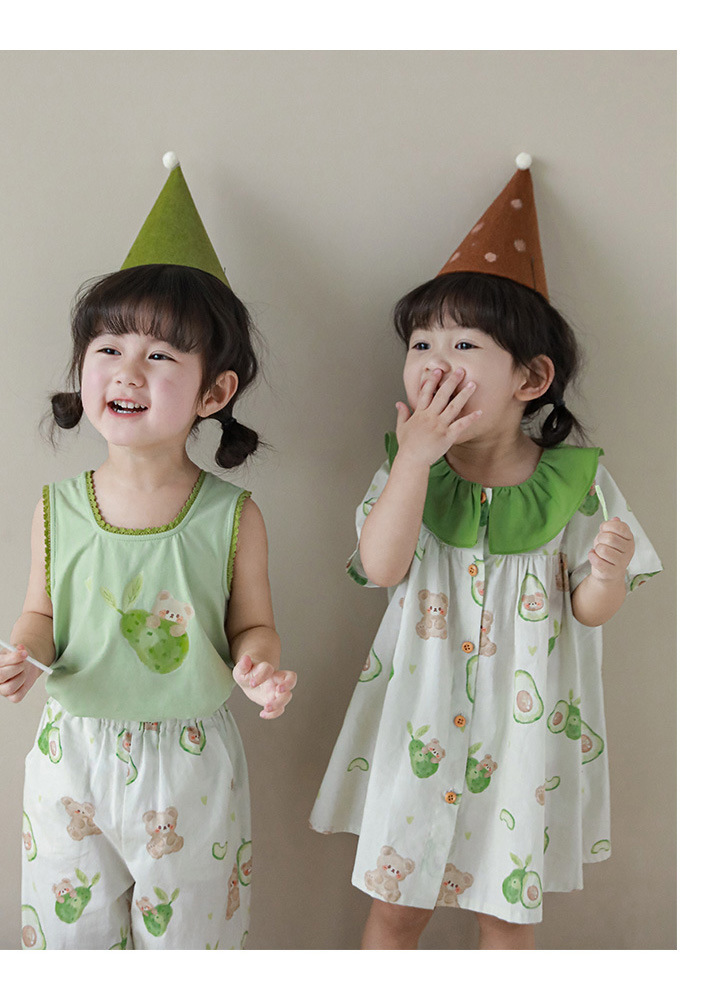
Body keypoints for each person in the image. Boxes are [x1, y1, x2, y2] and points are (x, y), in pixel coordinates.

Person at [309, 155, 661, 949]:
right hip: (421, 724)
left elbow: (591, 610)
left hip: (524, 731)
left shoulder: (577, 483)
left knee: (505, 914)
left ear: (530, 378)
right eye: (421, 343)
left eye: (463, 344)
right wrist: (414, 458)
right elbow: (381, 566)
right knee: (397, 906)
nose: (434, 361)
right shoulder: (408, 473)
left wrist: (607, 573)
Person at [0, 153, 296, 950]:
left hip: (190, 763)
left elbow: (253, 626)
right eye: (109, 348)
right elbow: (41, 613)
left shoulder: (232, 516)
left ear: (213, 393)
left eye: (160, 356)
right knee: (70, 944)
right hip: (73, 757)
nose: (128, 370)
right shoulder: (57, 507)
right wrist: (24, 654)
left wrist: (259, 666)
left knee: (190, 942)